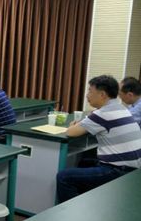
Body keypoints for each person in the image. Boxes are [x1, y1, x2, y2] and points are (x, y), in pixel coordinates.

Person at [56, 75, 141, 203]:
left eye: (90, 91)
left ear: (102, 95)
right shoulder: (122, 108)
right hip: (133, 168)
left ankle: (71, 211)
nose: (87, 95)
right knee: (84, 162)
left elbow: (71, 132)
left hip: (118, 170)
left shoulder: (102, 113)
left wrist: (73, 125)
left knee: (64, 177)